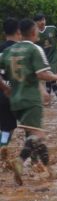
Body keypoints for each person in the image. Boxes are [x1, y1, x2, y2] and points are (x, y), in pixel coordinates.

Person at [0, 18, 57, 185]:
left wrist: (4, 87)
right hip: (31, 99)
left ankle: (48, 170)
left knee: (35, 134)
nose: (39, 32)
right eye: (37, 30)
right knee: (37, 135)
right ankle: (20, 161)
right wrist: (56, 76)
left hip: (15, 99)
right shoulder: (35, 49)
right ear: (32, 32)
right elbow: (42, 74)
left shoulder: (9, 50)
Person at [34, 13, 57, 104]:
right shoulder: (34, 32)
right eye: (39, 20)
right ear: (35, 22)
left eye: (43, 20)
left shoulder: (52, 28)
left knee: (50, 76)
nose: (42, 22)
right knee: (51, 79)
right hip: (44, 58)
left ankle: (49, 99)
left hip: (53, 56)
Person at [0, 18, 20, 166]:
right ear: (18, 31)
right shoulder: (22, 49)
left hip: (1, 91)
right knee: (11, 127)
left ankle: (2, 146)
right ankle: (2, 147)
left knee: (5, 126)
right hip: (14, 93)